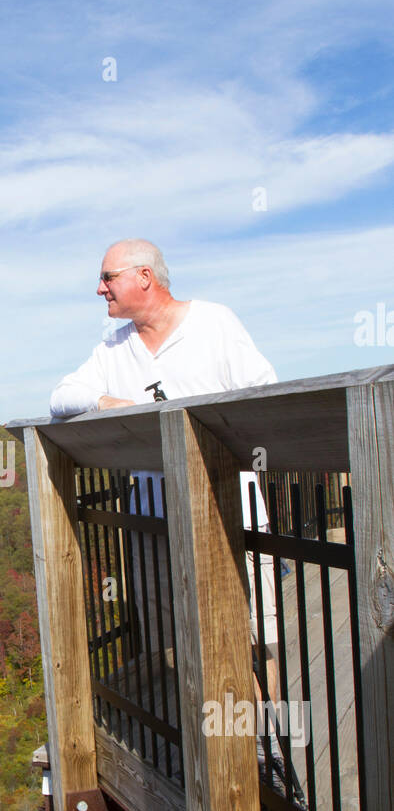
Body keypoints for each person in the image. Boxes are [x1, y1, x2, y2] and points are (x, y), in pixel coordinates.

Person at [50, 238, 279, 704]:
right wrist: (106, 402)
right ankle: (194, 747)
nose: (99, 289)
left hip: (232, 514)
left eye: (107, 277)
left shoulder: (214, 324)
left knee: (257, 640)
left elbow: (264, 397)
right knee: (171, 642)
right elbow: (59, 399)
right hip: (155, 523)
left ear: (144, 277)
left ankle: (267, 751)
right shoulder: (115, 348)